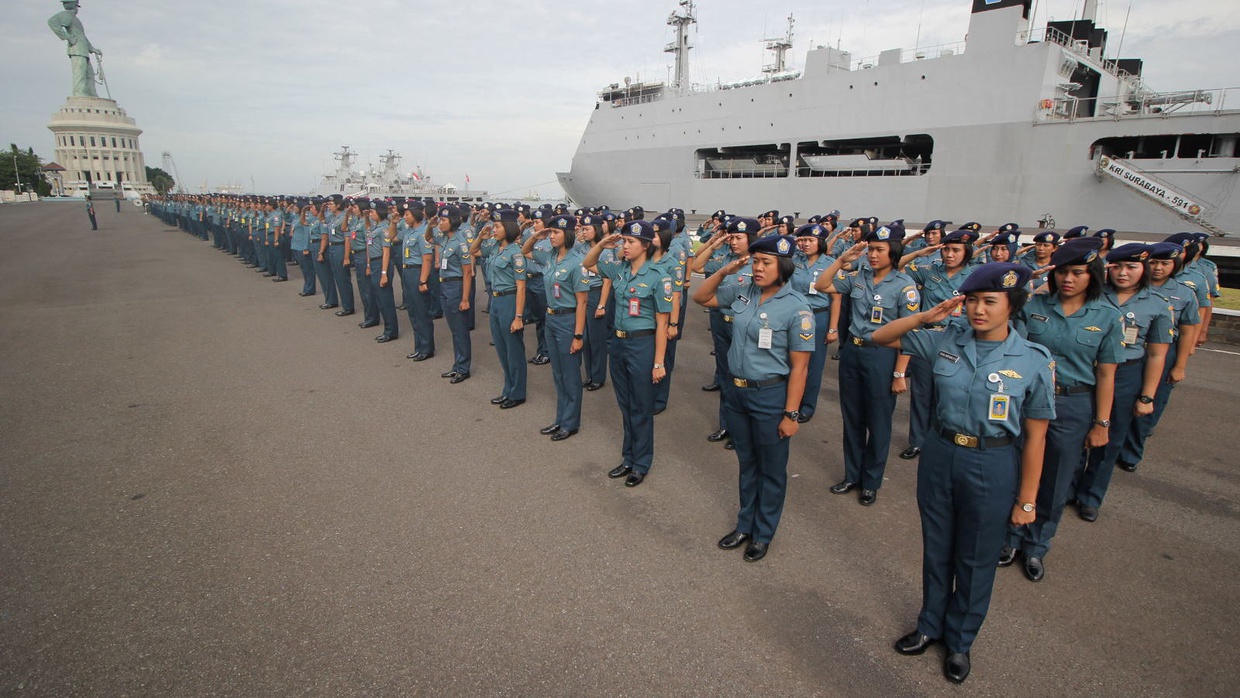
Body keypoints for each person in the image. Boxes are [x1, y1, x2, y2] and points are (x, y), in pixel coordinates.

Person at [874, 262, 1055, 685]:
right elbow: (877, 336)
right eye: (972, 300)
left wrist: (1027, 501)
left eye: (990, 302)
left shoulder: (1033, 361)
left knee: (975, 557)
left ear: (1012, 306)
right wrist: (925, 316)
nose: (978, 310)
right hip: (941, 454)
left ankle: (959, 641)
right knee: (937, 546)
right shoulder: (946, 341)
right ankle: (929, 625)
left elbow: (1036, 438)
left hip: (992, 462)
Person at [999, 237, 1122, 582]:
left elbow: (1106, 373)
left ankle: (1036, 545)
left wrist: (1101, 422)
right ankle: (1010, 538)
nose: (1069, 279)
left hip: (1073, 403)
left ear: (1093, 275)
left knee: (1055, 479)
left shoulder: (1107, 316)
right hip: (1027, 399)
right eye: (1064, 272)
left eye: (1079, 273)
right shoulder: (1035, 305)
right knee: (1019, 469)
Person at [694, 234, 813, 562]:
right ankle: (745, 524)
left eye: (766, 263)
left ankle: (763, 533)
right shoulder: (743, 292)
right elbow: (701, 298)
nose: (758, 268)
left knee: (771, 469)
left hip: (770, 395)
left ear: (784, 266)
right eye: (755, 261)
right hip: (736, 392)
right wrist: (724, 272)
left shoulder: (797, 309)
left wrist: (791, 414)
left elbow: (800, 368)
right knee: (747, 464)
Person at [815, 221, 920, 506]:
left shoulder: (905, 287)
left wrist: (900, 373)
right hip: (853, 353)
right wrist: (840, 260)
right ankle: (852, 475)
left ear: (894, 252)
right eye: (871, 249)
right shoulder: (858, 276)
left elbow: (909, 335)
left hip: (882, 356)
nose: (872, 255)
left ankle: (871, 481)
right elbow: (822, 285)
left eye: (879, 250)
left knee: (879, 422)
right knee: (853, 419)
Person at [1072, 243, 1172, 522]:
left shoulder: (1157, 304)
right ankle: (1069, 486)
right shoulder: (1093, 295)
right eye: (1116, 267)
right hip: (1087, 370)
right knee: (1077, 433)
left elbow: (1156, 354)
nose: (1122, 273)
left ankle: (1090, 496)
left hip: (1126, 372)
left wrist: (1147, 397)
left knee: (1110, 438)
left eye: (1131, 267)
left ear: (1145, 269)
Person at [581, 220, 673, 487]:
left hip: (642, 345)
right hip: (619, 343)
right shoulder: (618, 270)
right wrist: (601, 243)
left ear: (645, 245)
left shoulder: (658, 276)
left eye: (631, 242)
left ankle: (641, 463)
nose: (625, 246)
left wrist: (658, 362)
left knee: (641, 406)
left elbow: (662, 323)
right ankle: (628, 458)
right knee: (625, 405)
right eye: (624, 241)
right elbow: (588, 263)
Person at [1118, 241, 1201, 472]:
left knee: (1147, 402)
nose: (1158, 268)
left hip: (1162, 352)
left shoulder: (1183, 293)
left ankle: (1131, 453)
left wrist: (1180, 365)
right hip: (1129, 351)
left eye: (1165, 263)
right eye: (1153, 262)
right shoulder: (1127, 289)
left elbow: (1187, 330)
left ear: (1174, 265)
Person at [897, 228, 978, 459]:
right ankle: (917, 441)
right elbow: (897, 265)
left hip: (958, 343)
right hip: (927, 339)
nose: (950, 255)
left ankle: (941, 440)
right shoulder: (930, 271)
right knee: (922, 394)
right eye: (947, 250)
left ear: (967, 252)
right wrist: (921, 252)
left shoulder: (975, 278)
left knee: (949, 395)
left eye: (956, 250)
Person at [525, 214, 591, 437]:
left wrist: (578, 335)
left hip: (568, 320)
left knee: (570, 374)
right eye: (550, 232)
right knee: (558, 373)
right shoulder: (550, 257)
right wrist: (536, 236)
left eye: (555, 233)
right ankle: (560, 418)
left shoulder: (577, 263)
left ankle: (570, 423)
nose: (551, 236)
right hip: (551, 318)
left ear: (568, 234)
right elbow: (525, 251)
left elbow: (582, 302)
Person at [787, 223, 837, 422]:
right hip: (795, 315)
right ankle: (792, 401)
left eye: (810, 240)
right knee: (792, 360)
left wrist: (833, 328)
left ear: (821, 242)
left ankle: (807, 405)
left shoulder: (830, 264)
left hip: (818, 316)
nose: (805, 244)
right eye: (803, 240)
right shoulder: (794, 261)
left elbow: (837, 298)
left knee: (813, 364)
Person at [437, 205, 474, 384]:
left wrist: (465, 298)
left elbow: (467, 272)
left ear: (452, 221)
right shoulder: (445, 240)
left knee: (460, 330)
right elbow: (429, 235)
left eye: (443, 220)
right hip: (444, 286)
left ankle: (463, 368)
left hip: (456, 287)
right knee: (454, 329)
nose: (440, 223)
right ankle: (457, 364)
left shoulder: (460, 243)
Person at [577, 214, 613, 391]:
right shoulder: (580, 247)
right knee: (585, 338)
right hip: (582, 294)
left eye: (587, 229)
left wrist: (601, 304)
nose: (583, 232)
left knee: (597, 339)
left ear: (597, 229)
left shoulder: (605, 251)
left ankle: (598, 376)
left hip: (596, 294)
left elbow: (607, 280)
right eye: (582, 228)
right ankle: (589, 374)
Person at [400, 201, 435, 361]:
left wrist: (422, 281)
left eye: (407, 214)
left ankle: (427, 348)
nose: (404, 217)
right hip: (407, 271)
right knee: (412, 311)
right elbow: (392, 236)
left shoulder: (423, 233)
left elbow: (427, 259)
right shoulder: (409, 232)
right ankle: (418, 346)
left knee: (421, 312)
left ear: (415, 215)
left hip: (417, 272)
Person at [370, 202, 399, 343]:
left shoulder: (384, 230)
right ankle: (387, 329)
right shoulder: (375, 227)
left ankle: (391, 331)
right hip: (375, 263)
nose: (370, 214)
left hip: (382, 263)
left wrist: (383, 273)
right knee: (380, 298)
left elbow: (386, 252)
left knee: (385, 299)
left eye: (373, 212)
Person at [324, 197, 354, 315]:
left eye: (331, 204)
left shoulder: (344, 218)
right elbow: (321, 218)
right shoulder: (332, 217)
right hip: (332, 247)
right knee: (336, 276)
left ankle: (348, 307)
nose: (329, 206)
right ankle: (344, 304)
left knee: (343, 278)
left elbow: (347, 239)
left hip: (341, 248)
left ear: (337, 205)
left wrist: (346, 257)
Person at [293, 201, 317, 297]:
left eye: (296, 206)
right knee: (303, 268)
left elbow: (307, 233)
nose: (294, 207)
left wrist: (306, 247)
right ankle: (307, 287)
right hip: (296, 245)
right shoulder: (296, 217)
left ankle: (309, 289)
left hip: (302, 246)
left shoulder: (307, 218)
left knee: (308, 269)